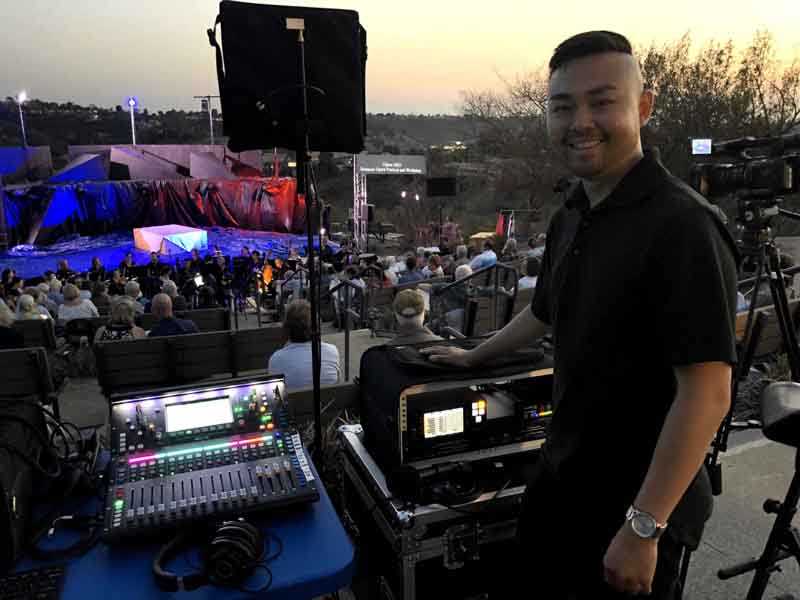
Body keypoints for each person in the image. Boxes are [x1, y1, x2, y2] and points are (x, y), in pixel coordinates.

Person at [422, 31, 738, 599]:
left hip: (635, 506)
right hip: (562, 481)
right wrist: (474, 355)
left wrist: (645, 526)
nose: (580, 121)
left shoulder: (683, 226)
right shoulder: (573, 211)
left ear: (642, 107)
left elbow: (708, 393)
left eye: (602, 102)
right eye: (563, 106)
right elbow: (544, 313)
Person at [267, 299, 341, 391]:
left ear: (287, 328)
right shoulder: (332, 351)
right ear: (316, 326)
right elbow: (337, 382)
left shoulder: (275, 359)